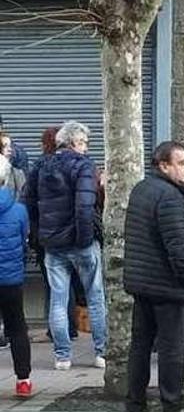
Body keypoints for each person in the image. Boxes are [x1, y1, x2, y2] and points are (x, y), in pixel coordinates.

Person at [124, 142, 184, 412]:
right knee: (171, 347)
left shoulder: (142, 189)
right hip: (167, 285)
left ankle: (135, 403)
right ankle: (173, 404)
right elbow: (179, 249)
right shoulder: (169, 197)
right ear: (163, 165)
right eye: (181, 163)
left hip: (142, 282)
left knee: (140, 345)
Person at [25, 121, 107, 370]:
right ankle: (101, 353)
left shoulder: (40, 165)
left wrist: (41, 235)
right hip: (80, 241)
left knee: (58, 299)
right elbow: (84, 206)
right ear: (76, 142)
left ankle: (62, 356)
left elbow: (28, 202)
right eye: (84, 143)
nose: (86, 148)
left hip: (53, 244)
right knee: (95, 296)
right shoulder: (84, 166)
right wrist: (84, 239)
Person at [0, 156, 32, 398]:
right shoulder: (19, 210)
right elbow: (23, 243)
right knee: (17, 327)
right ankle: (23, 380)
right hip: (11, 279)